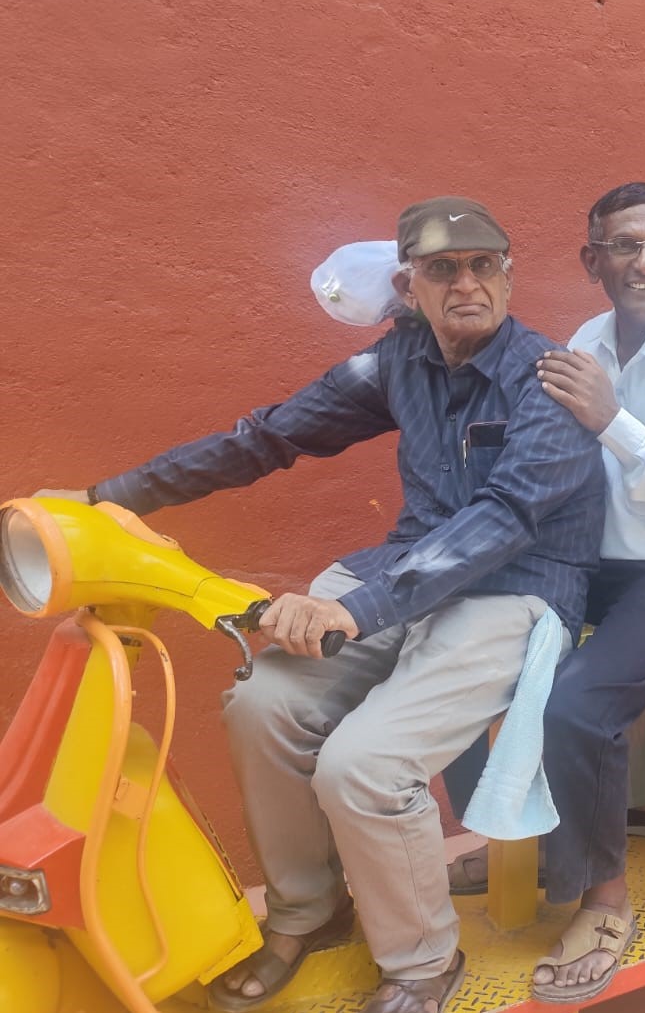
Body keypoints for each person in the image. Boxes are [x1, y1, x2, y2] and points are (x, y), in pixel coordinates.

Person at [38, 197, 606, 1013]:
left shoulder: (546, 377)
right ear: (409, 287)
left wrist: (355, 609)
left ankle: (421, 963)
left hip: (514, 589)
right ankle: (311, 909)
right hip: (402, 576)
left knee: (364, 765)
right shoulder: (399, 360)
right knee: (260, 705)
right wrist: (107, 498)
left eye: (484, 266)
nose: (467, 285)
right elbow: (267, 437)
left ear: (508, 277)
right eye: (443, 269)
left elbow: (504, 519)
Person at [439, 183, 645, 1003]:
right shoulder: (587, 341)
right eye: (624, 246)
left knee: (577, 705)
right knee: (447, 640)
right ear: (593, 261)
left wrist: (615, 422)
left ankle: (604, 898)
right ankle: (517, 839)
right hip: (589, 560)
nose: (644, 263)